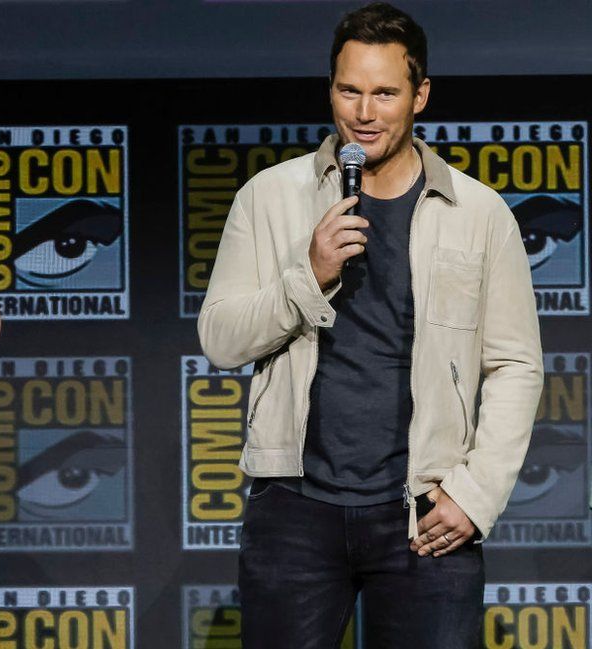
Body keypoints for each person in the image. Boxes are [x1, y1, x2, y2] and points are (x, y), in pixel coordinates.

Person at [197, 3, 543, 647]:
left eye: (385, 92)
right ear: (330, 89)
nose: (364, 111)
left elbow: (516, 366)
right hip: (295, 509)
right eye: (349, 90)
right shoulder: (269, 197)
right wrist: (309, 273)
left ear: (421, 95)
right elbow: (220, 339)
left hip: (425, 511)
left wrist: (476, 494)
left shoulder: (479, 212)